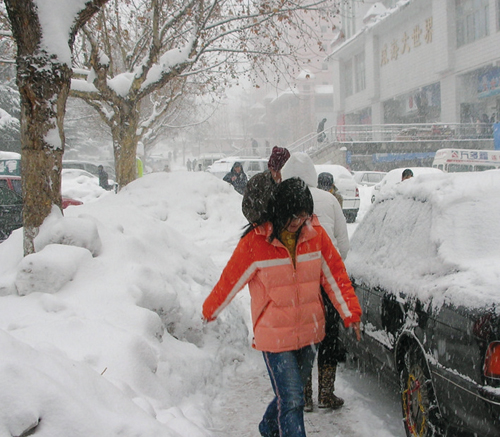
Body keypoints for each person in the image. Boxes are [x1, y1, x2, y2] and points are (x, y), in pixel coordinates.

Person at [202, 177, 362, 437]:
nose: (299, 222)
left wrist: (350, 313)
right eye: (293, 216)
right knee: (292, 400)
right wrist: (210, 309)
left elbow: (336, 277)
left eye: (304, 216)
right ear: (280, 211)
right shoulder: (256, 243)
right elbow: (229, 281)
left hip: (310, 331)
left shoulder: (316, 236)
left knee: (291, 394)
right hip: (274, 335)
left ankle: (268, 427)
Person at [281, 154, 349, 412]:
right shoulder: (330, 199)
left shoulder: (281, 203)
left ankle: (304, 396)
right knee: (329, 336)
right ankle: (327, 393)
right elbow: (343, 244)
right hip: (326, 278)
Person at [242, 146, 290, 224]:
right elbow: (247, 207)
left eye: (281, 171)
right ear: (270, 168)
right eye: (275, 170)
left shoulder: (292, 185)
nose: (278, 175)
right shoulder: (257, 182)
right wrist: (261, 222)